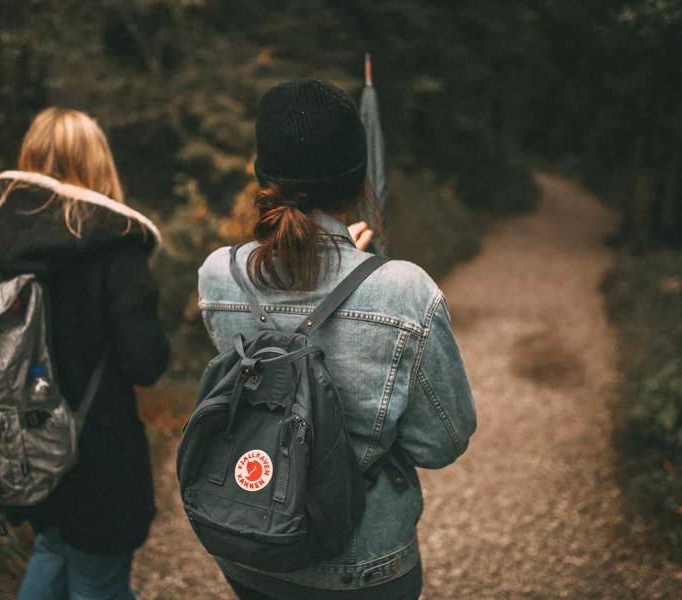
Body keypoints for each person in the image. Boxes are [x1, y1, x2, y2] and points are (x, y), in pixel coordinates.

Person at [197, 79, 477, 600]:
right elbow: (441, 443)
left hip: (249, 543)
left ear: (264, 176)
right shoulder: (404, 290)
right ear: (358, 180)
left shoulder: (217, 275)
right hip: (361, 565)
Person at [0, 107, 170, 599]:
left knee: (50, 547)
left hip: (12, 442)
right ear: (97, 164)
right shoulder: (115, 243)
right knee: (98, 579)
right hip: (97, 451)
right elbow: (146, 363)